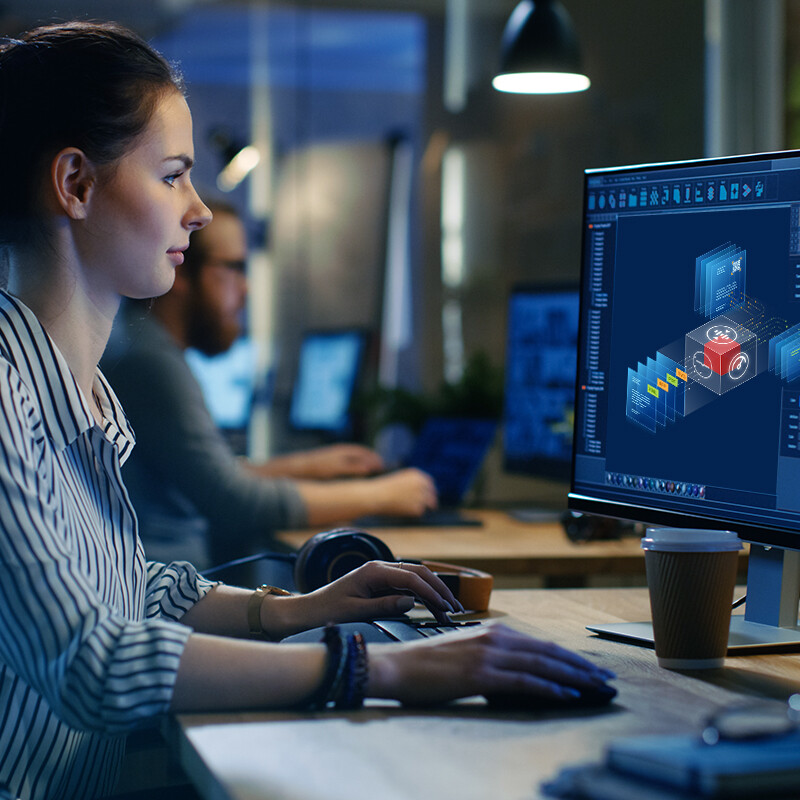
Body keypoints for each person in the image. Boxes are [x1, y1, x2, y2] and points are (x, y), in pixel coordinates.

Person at [0, 20, 615, 800]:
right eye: (173, 176)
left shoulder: (79, 387)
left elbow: (128, 591)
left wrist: (295, 611)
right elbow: (92, 662)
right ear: (77, 185)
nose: (198, 210)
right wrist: (380, 666)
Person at [101, 199, 437, 569]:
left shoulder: (141, 343)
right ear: (179, 267)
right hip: (168, 598)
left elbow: (211, 475)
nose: (245, 291)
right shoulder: (149, 360)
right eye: (234, 268)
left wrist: (307, 465)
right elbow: (233, 501)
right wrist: (381, 495)